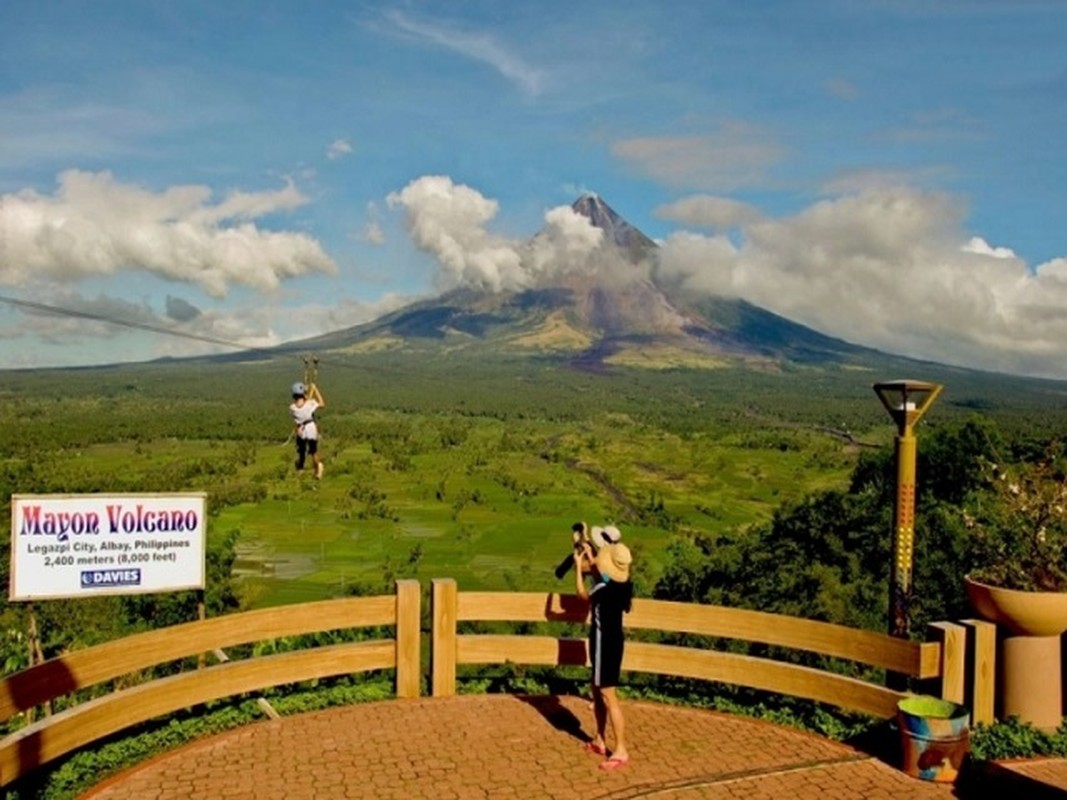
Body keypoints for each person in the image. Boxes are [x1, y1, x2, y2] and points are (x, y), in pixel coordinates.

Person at [575, 536, 633, 771]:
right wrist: (591, 556)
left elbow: (582, 595)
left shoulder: (601, 590)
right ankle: (600, 739)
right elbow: (605, 575)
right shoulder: (624, 585)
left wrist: (579, 568)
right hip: (614, 641)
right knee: (597, 690)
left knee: (609, 697)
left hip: (603, 644)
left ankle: (620, 749)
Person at [289, 381, 326, 479]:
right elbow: (322, 404)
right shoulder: (310, 404)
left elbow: (304, 405)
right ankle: (318, 469)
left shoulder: (292, 408)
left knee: (301, 450)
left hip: (302, 430)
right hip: (311, 429)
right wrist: (315, 389)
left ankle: (301, 467)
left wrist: (310, 392)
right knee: (313, 451)